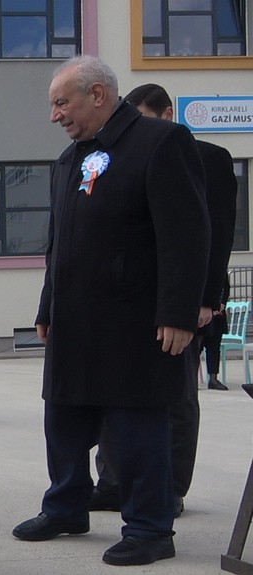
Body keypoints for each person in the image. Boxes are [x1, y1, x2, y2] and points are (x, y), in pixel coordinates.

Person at [10, 57, 209, 566]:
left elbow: (186, 236)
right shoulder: (71, 158)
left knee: (136, 427)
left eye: (62, 103)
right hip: (73, 320)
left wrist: (180, 313)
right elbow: (59, 245)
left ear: (98, 94)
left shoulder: (160, 143)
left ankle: (149, 528)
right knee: (65, 419)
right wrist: (47, 305)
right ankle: (67, 506)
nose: (55, 115)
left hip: (134, 321)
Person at [87, 82, 238, 517]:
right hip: (130, 297)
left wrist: (206, 299)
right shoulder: (117, 157)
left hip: (183, 300)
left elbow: (216, 234)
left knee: (175, 396)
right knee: (116, 392)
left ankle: (171, 486)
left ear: (168, 114)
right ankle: (113, 482)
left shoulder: (209, 159)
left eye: (144, 120)